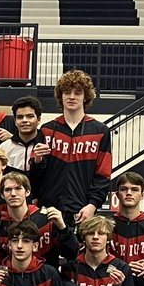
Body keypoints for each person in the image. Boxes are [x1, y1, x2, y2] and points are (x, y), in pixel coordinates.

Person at [30, 70, 111, 226]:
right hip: (48, 211)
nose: (72, 96)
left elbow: (103, 175)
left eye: (78, 92)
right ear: (61, 96)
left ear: (86, 96)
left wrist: (92, 205)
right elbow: (35, 177)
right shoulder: (47, 130)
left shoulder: (100, 131)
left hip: (81, 212)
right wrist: (38, 161)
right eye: (67, 92)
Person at [0, 171, 73, 270]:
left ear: (27, 192)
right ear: (2, 195)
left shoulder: (48, 219)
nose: (13, 194)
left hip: (47, 280)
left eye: (18, 188)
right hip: (13, 282)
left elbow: (72, 253)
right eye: (8, 190)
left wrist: (62, 227)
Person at [0, 95, 46, 174]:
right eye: (20, 117)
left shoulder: (45, 145)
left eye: (29, 116)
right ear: (15, 121)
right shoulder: (4, 148)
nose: (24, 120)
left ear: (39, 119)